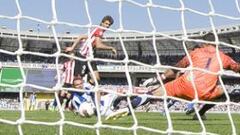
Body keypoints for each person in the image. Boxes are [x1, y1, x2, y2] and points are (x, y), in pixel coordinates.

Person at [106, 32, 240, 120]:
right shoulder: (224, 57)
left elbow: (176, 68)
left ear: (203, 43)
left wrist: (159, 79)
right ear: (216, 43)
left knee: (153, 93)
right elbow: (237, 68)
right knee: (223, 91)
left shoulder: (196, 52)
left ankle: (127, 108)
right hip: (205, 93)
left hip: (184, 85)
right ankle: (200, 113)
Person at [65, 15, 117, 85]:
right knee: (78, 79)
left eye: (109, 25)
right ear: (102, 23)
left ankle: (86, 90)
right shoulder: (99, 31)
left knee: (96, 79)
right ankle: (71, 92)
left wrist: (72, 47)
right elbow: (99, 45)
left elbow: (81, 37)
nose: (107, 26)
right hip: (83, 57)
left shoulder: (95, 30)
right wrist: (111, 48)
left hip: (90, 58)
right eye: (106, 24)